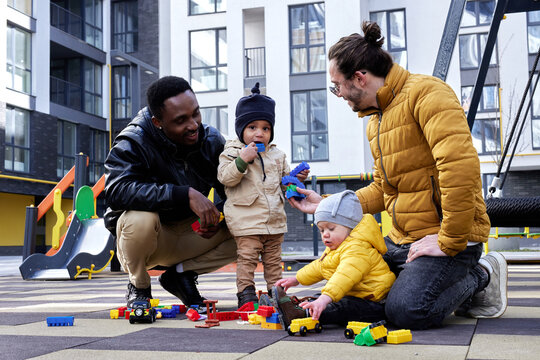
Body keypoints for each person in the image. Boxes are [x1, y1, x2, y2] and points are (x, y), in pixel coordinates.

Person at [287, 22, 508, 330]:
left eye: (337, 85)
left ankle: (482, 273)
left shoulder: (428, 94)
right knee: (360, 281)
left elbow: (460, 170)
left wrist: (449, 241)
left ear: (360, 78)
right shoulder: (375, 121)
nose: (337, 94)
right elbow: (382, 189)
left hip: (449, 238)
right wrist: (325, 205)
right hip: (403, 240)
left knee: (408, 310)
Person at [104, 76, 237, 308]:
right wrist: (183, 194)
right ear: (158, 122)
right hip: (151, 239)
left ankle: (180, 276)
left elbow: (235, 193)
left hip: (193, 235)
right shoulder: (133, 141)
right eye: (181, 120)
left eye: (196, 113)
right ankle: (140, 286)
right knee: (140, 218)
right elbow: (116, 191)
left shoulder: (211, 140)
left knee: (254, 227)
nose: (194, 124)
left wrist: (218, 216)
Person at [217, 83, 309, 308]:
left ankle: (276, 291)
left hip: (274, 220)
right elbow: (225, 178)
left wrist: (298, 179)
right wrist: (242, 159)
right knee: (247, 259)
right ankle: (246, 294)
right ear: (241, 130)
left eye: (266, 128)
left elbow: (284, 183)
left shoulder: (277, 155)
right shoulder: (232, 152)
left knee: (274, 261)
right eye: (252, 127)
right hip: (247, 220)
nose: (259, 133)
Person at [272, 190, 395, 329]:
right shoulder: (337, 246)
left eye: (331, 228)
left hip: (374, 302)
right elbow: (320, 267)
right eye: (322, 230)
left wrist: (325, 299)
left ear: (350, 227)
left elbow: (344, 276)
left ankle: (304, 314)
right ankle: (298, 307)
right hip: (356, 293)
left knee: (341, 306)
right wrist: (296, 279)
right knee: (322, 296)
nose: (325, 235)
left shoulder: (358, 248)